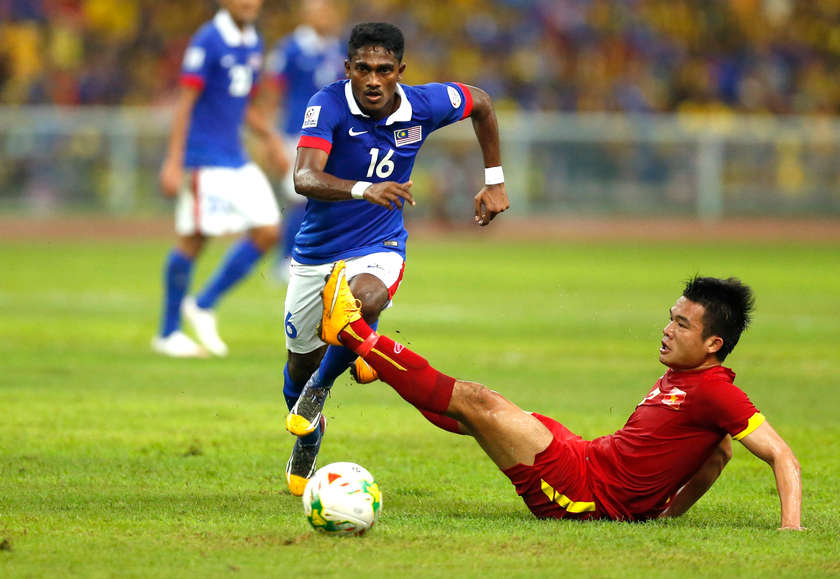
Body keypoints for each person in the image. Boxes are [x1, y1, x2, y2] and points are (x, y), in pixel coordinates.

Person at [318, 261, 804, 529]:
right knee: (476, 415)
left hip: (582, 493)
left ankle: (355, 333)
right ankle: (377, 364)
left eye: (681, 324)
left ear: (713, 344)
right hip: (586, 455)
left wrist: (790, 529)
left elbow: (782, 456)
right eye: (670, 317)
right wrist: (664, 514)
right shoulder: (687, 380)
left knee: (478, 403)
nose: (666, 330)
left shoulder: (717, 391)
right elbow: (717, 454)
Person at [282, 22, 510, 495]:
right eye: (363, 69)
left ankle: (321, 389)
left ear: (400, 72)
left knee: (367, 297)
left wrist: (495, 180)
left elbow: (482, 103)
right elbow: (304, 178)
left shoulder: (424, 104)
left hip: (378, 245)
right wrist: (367, 189)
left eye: (384, 70)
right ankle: (313, 421)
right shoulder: (326, 104)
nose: (373, 80)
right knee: (297, 367)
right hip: (315, 251)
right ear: (348, 69)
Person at [153, 0, 286, 358]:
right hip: (204, 158)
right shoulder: (208, 39)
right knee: (195, 238)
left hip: (236, 156)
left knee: (269, 230)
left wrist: (270, 137)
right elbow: (186, 102)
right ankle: (168, 333)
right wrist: (174, 159)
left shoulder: (253, 41)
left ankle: (203, 303)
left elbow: (239, 103)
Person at [260, 0, 346, 282]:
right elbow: (273, 90)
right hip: (296, 131)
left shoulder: (337, 48)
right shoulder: (290, 48)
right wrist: (269, 135)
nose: (326, 16)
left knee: (323, 197)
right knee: (299, 196)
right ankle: (285, 259)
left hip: (332, 133)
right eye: (319, 10)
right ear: (306, 15)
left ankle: (315, 257)